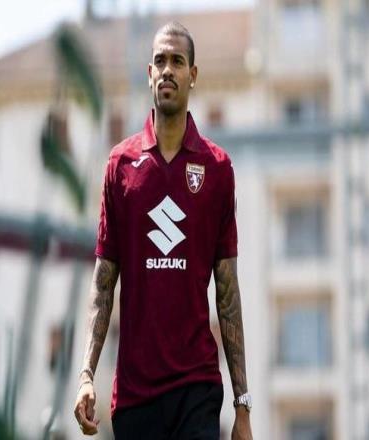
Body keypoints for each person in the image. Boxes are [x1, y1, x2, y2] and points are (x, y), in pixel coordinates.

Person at [74, 21, 253, 440]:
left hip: (197, 387)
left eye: (177, 61)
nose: (168, 69)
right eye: (160, 61)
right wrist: (86, 374)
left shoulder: (217, 168)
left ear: (193, 74)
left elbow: (227, 291)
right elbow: (103, 282)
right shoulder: (120, 166)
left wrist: (242, 405)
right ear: (149, 73)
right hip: (135, 396)